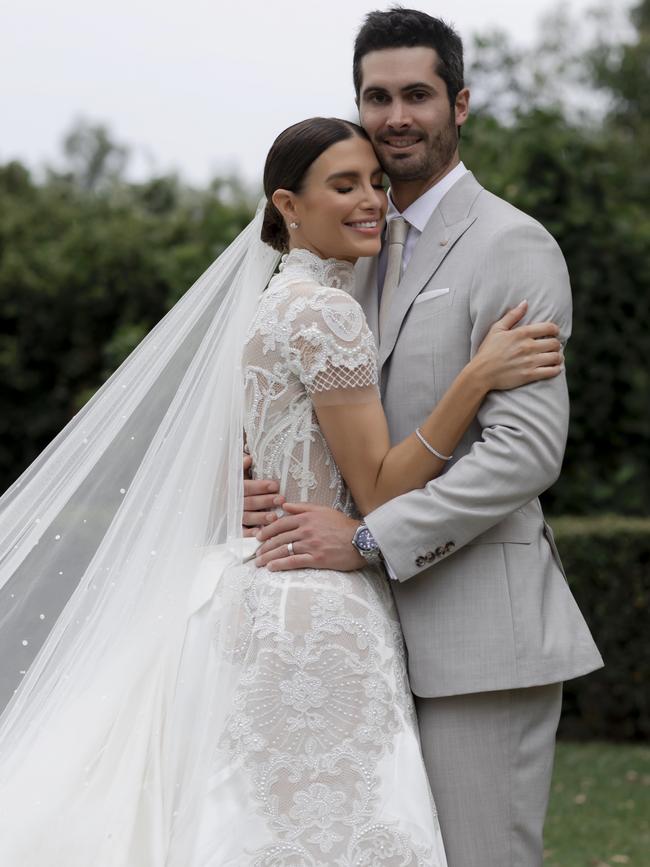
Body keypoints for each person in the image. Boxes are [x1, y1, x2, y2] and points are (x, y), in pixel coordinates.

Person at [0, 115, 563, 864]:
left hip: (256, 587)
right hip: (318, 605)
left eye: (373, 182)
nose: (370, 200)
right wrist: (474, 379)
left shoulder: (273, 299)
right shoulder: (329, 312)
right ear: (288, 205)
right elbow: (380, 488)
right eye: (343, 185)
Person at [247, 9, 604, 867]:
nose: (397, 115)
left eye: (418, 94)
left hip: (480, 637)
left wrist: (367, 538)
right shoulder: (348, 248)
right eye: (378, 95)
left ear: (461, 104)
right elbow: (312, 408)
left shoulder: (513, 246)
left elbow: (522, 454)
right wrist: (258, 477)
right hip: (356, 643)